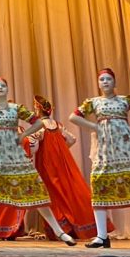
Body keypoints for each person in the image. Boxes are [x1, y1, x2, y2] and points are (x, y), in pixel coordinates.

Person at [0, 78, 76, 247]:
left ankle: (60, 232)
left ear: (7, 88)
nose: (0, 88)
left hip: (17, 156)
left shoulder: (16, 109)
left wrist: (23, 135)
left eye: (3, 85)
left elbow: (37, 123)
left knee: (37, 194)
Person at [69, 68, 130, 248]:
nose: (105, 82)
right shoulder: (94, 102)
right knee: (99, 184)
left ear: (114, 82)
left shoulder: (125, 100)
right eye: (102, 79)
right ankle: (101, 236)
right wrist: (94, 126)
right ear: (98, 84)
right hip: (105, 150)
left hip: (128, 148)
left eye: (108, 79)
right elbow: (73, 117)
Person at [29, 95, 99, 242]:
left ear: (38, 110)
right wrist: (61, 150)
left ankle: (60, 229)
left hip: (47, 164)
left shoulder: (40, 126)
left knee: (52, 194)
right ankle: (74, 227)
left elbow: (31, 143)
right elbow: (72, 139)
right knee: (67, 191)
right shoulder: (58, 125)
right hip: (62, 162)